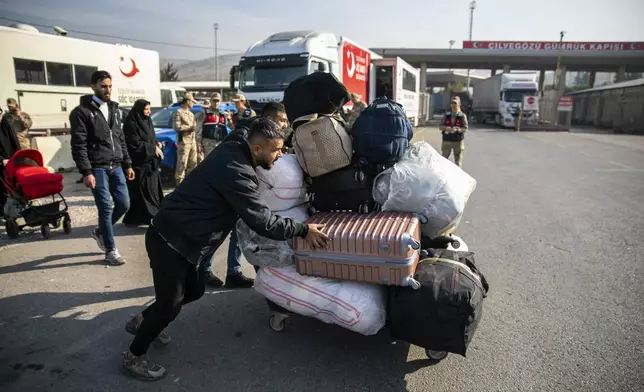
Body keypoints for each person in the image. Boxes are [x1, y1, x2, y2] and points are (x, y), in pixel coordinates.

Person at [122, 117, 330, 381]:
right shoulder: (238, 172)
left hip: (191, 241)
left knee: (195, 290)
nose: (281, 155)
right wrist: (302, 230)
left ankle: (145, 320)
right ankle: (134, 355)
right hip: (170, 238)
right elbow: (263, 221)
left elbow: (245, 124)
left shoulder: (236, 143)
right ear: (256, 149)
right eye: (276, 150)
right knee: (170, 302)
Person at [202, 101, 289, 288]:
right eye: (282, 120)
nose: (284, 125)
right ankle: (204, 270)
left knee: (239, 232)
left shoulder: (269, 136)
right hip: (230, 191)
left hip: (244, 189)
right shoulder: (245, 134)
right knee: (219, 231)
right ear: (270, 119)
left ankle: (233, 272)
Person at [70, 70, 134, 265]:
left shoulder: (114, 109)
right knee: (105, 208)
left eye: (110, 86)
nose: (108, 90)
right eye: (103, 86)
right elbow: (78, 144)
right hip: (97, 167)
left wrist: (127, 164)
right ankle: (110, 250)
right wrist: (86, 172)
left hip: (116, 165)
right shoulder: (81, 112)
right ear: (93, 87)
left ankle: (100, 231)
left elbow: (120, 138)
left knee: (124, 204)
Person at [122, 99, 164, 226]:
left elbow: (150, 137)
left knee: (152, 191)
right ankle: (153, 217)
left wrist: (156, 144)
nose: (149, 112)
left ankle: (139, 218)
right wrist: (152, 148)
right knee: (144, 192)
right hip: (139, 164)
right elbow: (134, 144)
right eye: (146, 109)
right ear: (139, 110)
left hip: (150, 163)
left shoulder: (147, 121)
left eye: (149, 109)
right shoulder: (131, 124)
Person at [173, 93, 198, 184]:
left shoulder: (191, 114)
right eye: (192, 102)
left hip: (192, 141)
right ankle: (179, 185)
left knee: (193, 164)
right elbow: (176, 127)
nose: (193, 104)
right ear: (187, 101)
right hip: (184, 141)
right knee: (182, 164)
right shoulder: (179, 112)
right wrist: (189, 128)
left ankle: (190, 185)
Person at [439, 96, 469, 168]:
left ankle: (458, 178)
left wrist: (457, 130)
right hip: (447, 141)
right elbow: (440, 126)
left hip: (457, 142)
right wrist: (446, 128)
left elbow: (465, 128)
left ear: (459, 104)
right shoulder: (447, 115)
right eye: (452, 103)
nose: (453, 105)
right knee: (443, 161)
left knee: (458, 163)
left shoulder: (462, 116)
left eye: (455, 103)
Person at [0, 111, 21, 212]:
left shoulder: (6, 125)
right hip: (2, 161)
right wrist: (1, 159)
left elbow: (15, 142)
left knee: (14, 185)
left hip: (11, 161)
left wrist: (19, 156)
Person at [202, 92, 233, 157]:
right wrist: (199, 145)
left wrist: (229, 118)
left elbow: (231, 127)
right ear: (211, 101)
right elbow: (198, 131)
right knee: (209, 163)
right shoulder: (205, 113)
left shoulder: (223, 114)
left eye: (217, 101)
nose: (216, 103)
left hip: (220, 143)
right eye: (214, 101)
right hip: (208, 144)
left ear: (220, 102)